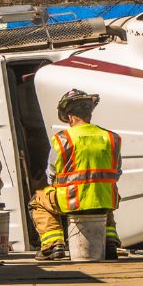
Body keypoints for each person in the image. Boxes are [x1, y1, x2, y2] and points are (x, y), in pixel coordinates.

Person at [29, 89, 122, 261]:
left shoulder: (62, 139)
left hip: (71, 201)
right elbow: (117, 172)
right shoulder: (111, 137)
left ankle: (53, 245)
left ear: (70, 116)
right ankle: (109, 243)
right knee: (101, 202)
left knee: (38, 201)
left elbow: (51, 173)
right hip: (104, 201)